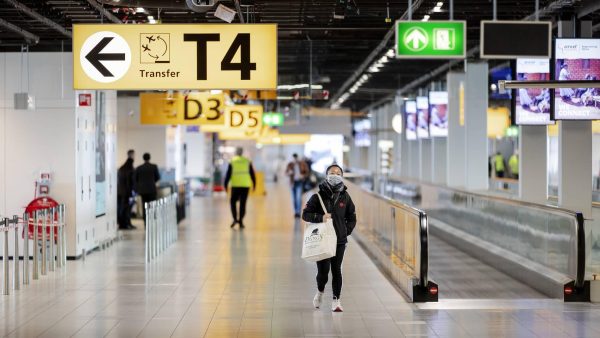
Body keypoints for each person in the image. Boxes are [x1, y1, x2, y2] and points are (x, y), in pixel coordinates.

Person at [302, 164, 356, 312]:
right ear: (326, 175)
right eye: (332, 173)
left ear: (342, 176)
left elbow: (352, 217)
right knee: (323, 272)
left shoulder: (345, 197)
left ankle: (336, 300)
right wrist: (320, 217)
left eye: (338, 173)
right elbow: (305, 214)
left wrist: (346, 231)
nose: (335, 175)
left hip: (339, 240)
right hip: (322, 240)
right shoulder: (317, 196)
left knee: (337, 270)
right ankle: (320, 291)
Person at [224, 147, 256, 229]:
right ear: (242, 153)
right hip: (245, 185)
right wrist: (254, 184)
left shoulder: (232, 161)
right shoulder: (247, 161)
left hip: (235, 185)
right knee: (243, 203)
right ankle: (241, 221)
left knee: (233, 202)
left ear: (236, 152)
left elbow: (228, 174)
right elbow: (252, 174)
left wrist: (225, 184)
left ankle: (235, 219)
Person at [134, 153, 160, 226]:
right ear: (149, 158)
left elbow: (136, 179)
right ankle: (152, 220)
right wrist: (152, 181)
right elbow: (158, 177)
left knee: (144, 206)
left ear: (143, 158)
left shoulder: (139, 168)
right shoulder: (154, 167)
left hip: (143, 191)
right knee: (152, 205)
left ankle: (146, 221)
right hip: (152, 190)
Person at [286, 153, 309, 218]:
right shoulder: (290, 164)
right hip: (292, 183)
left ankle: (298, 212)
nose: (295, 160)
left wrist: (303, 176)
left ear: (297, 158)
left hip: (299, 182)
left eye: (295, 158)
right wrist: (289, 173)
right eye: (293, 159)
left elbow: (307, 172)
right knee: (294, 198)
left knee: (298, 197)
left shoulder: (302, 164)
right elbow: (286, 172)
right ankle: (295, 211)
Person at [117, 157, 135, 230]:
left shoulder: (121, 169)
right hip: (127, 193)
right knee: (127, 209)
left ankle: (122, 223)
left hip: (119, 192)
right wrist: (131, 193)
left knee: (121, 209)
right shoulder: (130, 170)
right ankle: (126, 223)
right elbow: (129, 183)